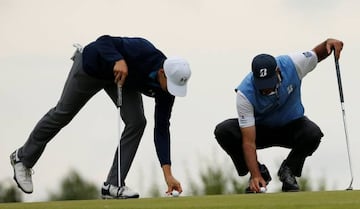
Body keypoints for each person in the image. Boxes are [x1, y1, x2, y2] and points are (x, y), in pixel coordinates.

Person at [10, 35, 191, 198]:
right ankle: (22, 158)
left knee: (137, 122)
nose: (171, 91)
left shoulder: (167, 91)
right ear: (162, 73)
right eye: (171, 85)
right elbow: (103, 41)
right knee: (62, 113)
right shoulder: (142, 50)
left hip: (120, 79)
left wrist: (168, 174)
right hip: (93, 66)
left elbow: (161, 128)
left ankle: (113, 184)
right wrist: (118, 59)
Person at [214, 38, 343, 193]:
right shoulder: (244, 94)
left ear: (278, 72)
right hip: (260, 130)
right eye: (262, 87)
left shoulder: (294, 64)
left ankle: (288, 170)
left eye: (269, 84)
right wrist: (255, 175)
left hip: (291, 126)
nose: (266, 91)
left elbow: (317, 54)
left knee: (313, 133)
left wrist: (328, 43)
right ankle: (260, 173)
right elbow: (249, 142)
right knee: (224, 131)